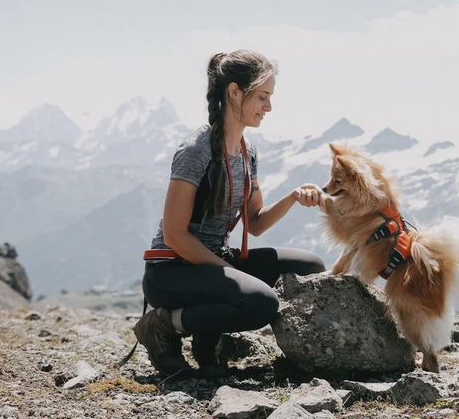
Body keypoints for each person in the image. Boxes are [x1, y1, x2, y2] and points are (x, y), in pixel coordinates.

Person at [133, 50, 326, 377]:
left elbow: (257, 223)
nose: (269, 107)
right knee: (262, 303)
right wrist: (229, 272)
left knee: (311, 266)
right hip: (171, 271)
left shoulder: (247, 152)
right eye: (263, 97)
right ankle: (165, 325)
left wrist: (293, 198)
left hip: (213, 263)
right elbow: (175, 235)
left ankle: (207, 340)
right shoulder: (196, 151)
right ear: (235, 92)